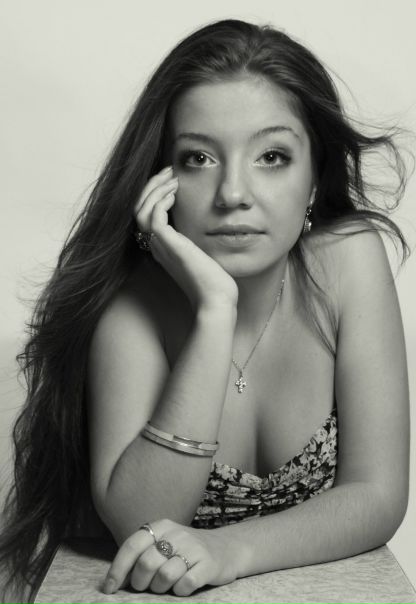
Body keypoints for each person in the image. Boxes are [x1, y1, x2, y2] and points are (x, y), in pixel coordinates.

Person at [0, 18, 411, 601]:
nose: (233, 194)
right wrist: (215, 311)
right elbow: (140, 523)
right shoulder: (129, 309)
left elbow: (378, 495)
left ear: (316, 179)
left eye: (272, 156)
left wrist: (228, 550)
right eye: (198, 158)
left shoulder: (348, 262)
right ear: (159, 179)